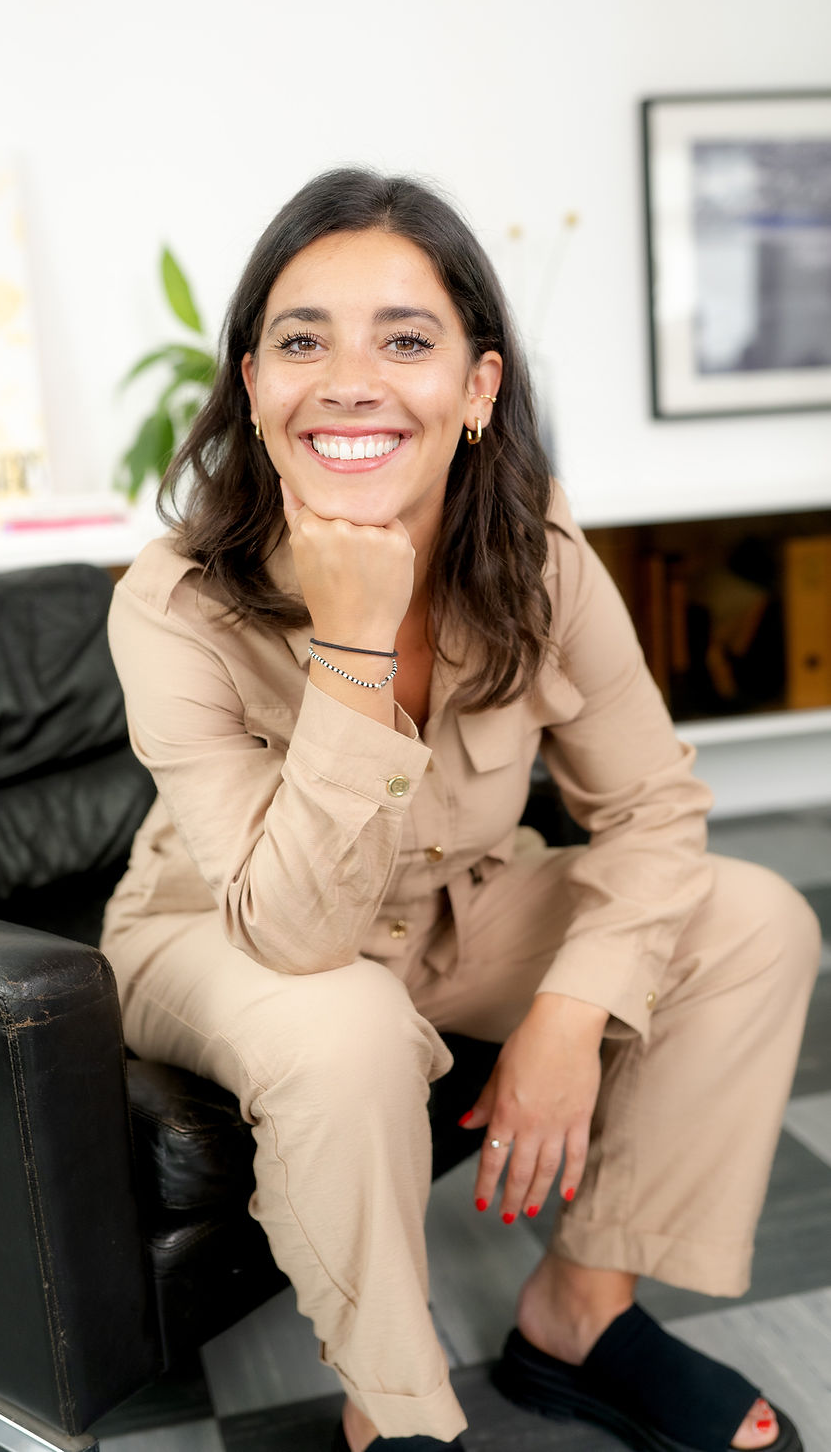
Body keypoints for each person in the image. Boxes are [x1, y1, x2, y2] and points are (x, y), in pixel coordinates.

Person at [100, 168, 820, 1452]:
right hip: (221, 930)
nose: (350, 378)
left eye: (407, 339)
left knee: (753, 917)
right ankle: (397, 1410)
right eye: (301, 339)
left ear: (477, 389)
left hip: (452, 914)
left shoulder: (537, 554)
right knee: (341, 1028)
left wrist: (566, 1011)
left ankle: (579, 1318)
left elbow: (652, 807)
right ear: (254, 384)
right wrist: (355, 642)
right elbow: (294, 936)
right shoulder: (175, 601)